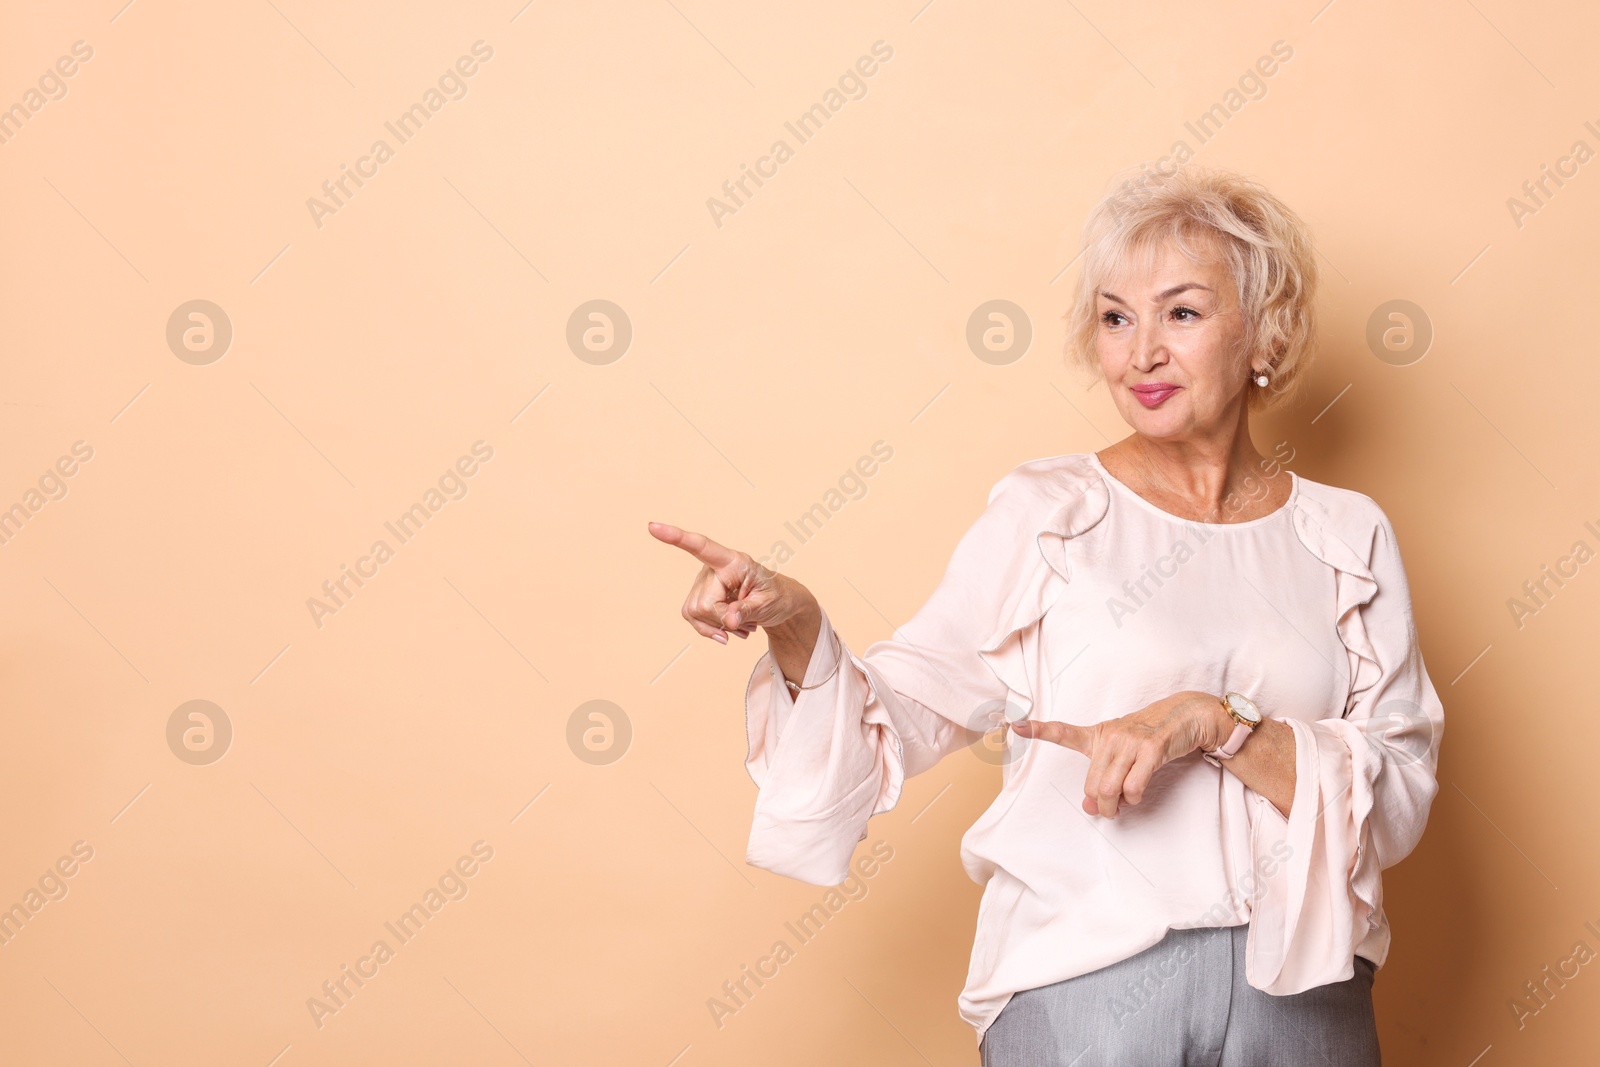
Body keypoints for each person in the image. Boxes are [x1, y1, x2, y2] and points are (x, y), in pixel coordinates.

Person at [649, 164, 1443, 1066]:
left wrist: (1217, 725)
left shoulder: (1346, 535)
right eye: (1115, 317)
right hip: (1087, 991)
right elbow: (903, 713)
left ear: (1265, 332)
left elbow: (1399, 791)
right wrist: (796, 625)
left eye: (1181, 313)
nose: (1140, 353)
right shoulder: (1052, 514)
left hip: (1307, 991)